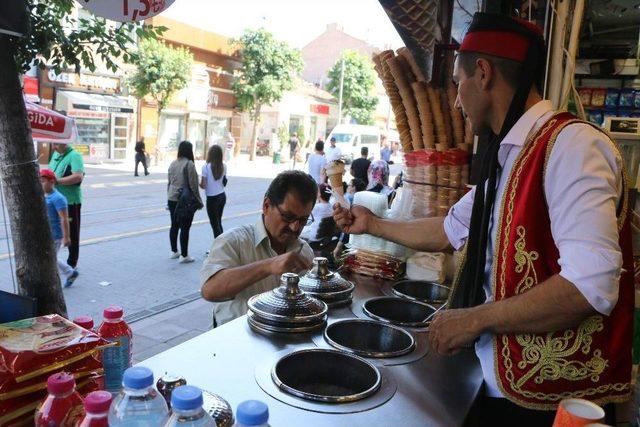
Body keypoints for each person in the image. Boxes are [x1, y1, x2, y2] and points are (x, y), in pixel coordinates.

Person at [334, 13, 632, 426]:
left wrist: (475, 318)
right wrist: (373, 224)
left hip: (554, 406)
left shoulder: (571, 146)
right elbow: (449, 230)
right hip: (501, 387)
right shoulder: (510, 156)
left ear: (483, 74)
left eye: (457, 84)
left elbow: (590, 286)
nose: (456, 101)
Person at [200, 170, 316, 326]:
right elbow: (210, 291)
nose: (295, 227)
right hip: (237, 342)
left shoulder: (304, 250)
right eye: (288, 217)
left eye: (303, 220)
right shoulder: (234, 241)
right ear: (266, 206)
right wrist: (268, 266)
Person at [40, 169, 78, 288]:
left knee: (49, 258)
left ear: (52, 181)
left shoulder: (58, 198)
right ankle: (70, 272)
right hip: (46, 233)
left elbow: (64, 219)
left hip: (55, 234)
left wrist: (66, 237)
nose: (40, 184)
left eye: (43, 181)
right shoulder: (44, 194)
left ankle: (63, 277)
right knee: (50, 257)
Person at [48, 143, 84, 270]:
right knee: (54, 229)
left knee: (72, 233)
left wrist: (57, 181)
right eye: (52, 144)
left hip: (70, 201)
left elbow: (78, 176)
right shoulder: (56, 155)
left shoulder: (75, 156)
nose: (53, 147)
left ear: (64, 142)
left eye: (56, 144)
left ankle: (71, 263)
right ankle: (53, 261)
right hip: (54, 200)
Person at [167, 141, 203, 263]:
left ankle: (174, 251)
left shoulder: (173, 163)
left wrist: (168, 200)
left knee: (174, 225)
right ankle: (184, 255)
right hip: (184, 200)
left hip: (172, 198)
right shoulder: (189, 164)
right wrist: (199, 201)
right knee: (185, 227)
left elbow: (169, 182)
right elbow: (193, 186)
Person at [200, 145, 227, 239]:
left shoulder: (206, 167)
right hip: (222, 196)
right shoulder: (224, 166)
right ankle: (223, 245)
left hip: (212, 199)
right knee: (218, 222)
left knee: (215, 225)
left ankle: (219, 249)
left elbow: (203, 186)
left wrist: (197, 182)